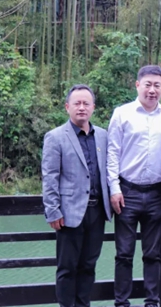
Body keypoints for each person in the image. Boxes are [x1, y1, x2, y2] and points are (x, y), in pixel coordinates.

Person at [107, 65, 161, 307]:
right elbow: (113, 153)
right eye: (147, 84)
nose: (152, 90)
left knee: (153, 254)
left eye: (157, 85)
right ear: (137, 85)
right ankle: (122, 303)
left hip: (157, 192)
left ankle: (152, 302)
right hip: (127, 192)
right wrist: (114, 188)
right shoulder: (122, 113)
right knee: (124, 253)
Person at [42, 84, 112, 307]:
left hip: (97, 211)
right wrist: (53, 210)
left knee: (88, 266)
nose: (82, 107)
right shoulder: (55, 137)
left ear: (93, 107)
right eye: (77, 103)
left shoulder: (103, 136)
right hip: (69, 212)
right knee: (67, 268)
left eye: (86, 103)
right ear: (67, 107)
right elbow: (50, 176)